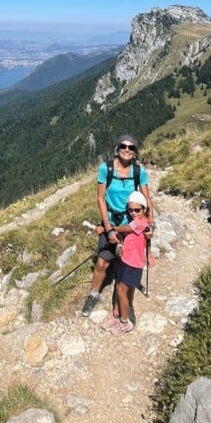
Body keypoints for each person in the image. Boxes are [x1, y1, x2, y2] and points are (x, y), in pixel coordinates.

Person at [81, 134, 154, 317]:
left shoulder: (139, 172)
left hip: (131, 223)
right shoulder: (106, 169)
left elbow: (147, 200)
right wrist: (108, 227)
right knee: (102, 262)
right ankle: (93, 295)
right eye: (123, 146)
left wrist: (150, 225)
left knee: (128, 261)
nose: (127, 150)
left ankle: (124, 303)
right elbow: (100, 198)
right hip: (111, 221)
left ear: (135, 152)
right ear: (117, 147)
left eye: (131, 147)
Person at [101, 190, 152, 335]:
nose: (134, 213)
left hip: (133, 264)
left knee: (122, 290)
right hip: (125, 260)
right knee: (118, 286)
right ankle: (116, 314)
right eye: (130, 210)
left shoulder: (140, 223)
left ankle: (125, 322)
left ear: (144, 209)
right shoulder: (135, 221)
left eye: (137, 210)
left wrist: (108, 229)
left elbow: (125, 229)